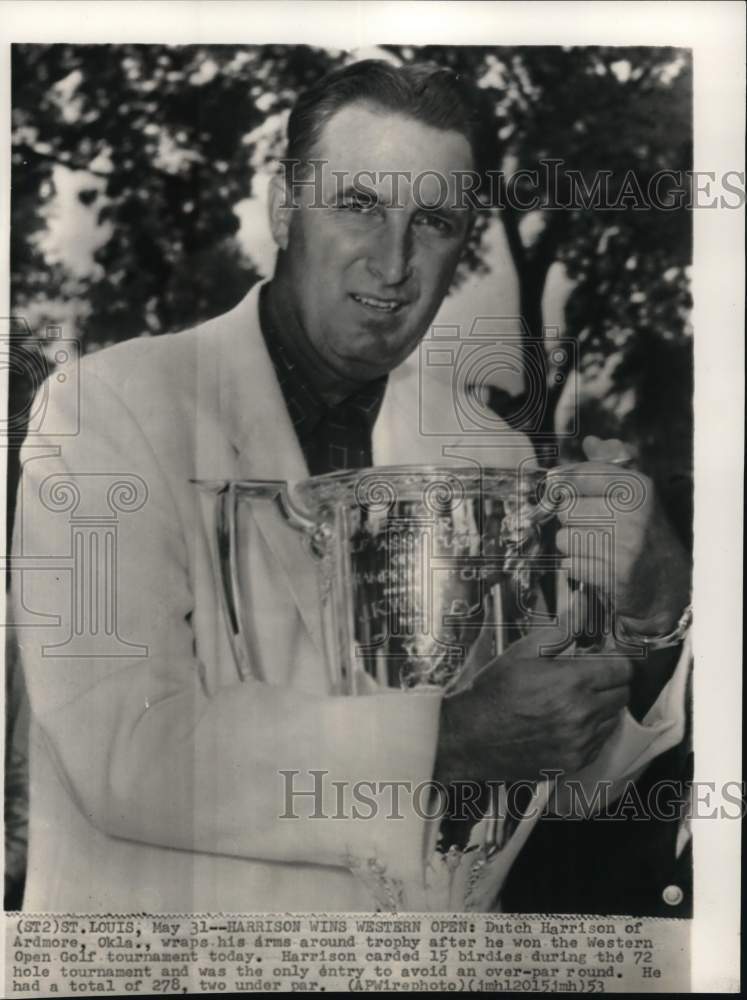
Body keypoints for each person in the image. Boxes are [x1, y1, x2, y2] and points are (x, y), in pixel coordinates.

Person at [11, 60, 691, 912]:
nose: (393, 261)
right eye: (359, 204)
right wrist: (448, 740)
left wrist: (653, 620)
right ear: (284, 207)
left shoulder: (496, 457)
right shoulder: (105, 409)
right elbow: (126, 751)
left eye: (433, 220)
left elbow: (558, 777)